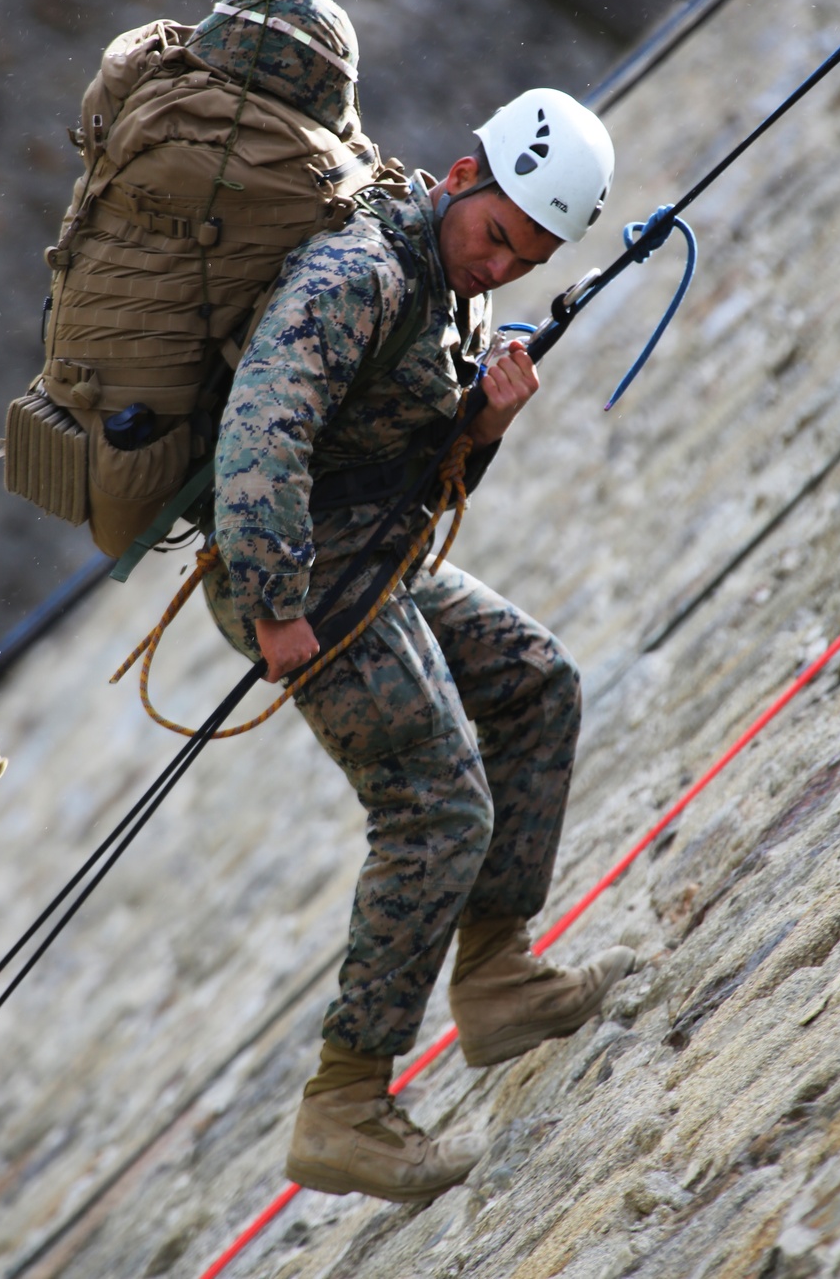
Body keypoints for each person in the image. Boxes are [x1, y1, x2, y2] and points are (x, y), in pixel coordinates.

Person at [203, 88, 635, 1203]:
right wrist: (274, 600)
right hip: (302, 579)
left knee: (536, 682)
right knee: (436, 803)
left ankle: (493, 980)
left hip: (372, 563)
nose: (503, 265)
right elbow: (261, 432)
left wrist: (480, 426)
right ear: (457, 178)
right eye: (497, 236)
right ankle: (343, 1105)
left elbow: (410, 469)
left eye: (528, 256)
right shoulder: (355, 277)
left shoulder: (456, 297)